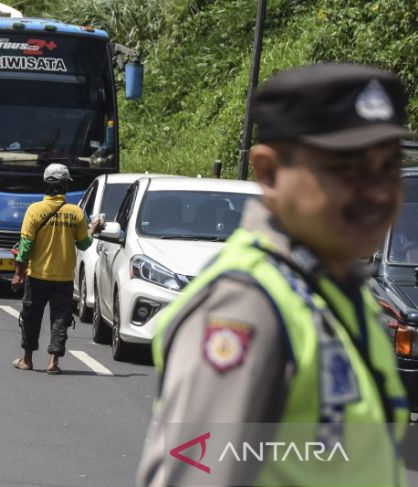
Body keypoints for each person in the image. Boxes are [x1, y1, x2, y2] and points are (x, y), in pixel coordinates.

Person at [137, 63, 412, 486]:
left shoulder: (340, 290)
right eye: (346, 169)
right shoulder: (247, 306)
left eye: (388, 166)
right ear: (268, 172)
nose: (376, 190)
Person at [11, 163, 103, 374]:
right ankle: (53, 362)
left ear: (46, 185)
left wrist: (18, 274)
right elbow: (84, 244)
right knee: (60, 319)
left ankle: (27, 359)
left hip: (37, 276)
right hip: (63, 278)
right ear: (64, 186)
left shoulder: (34, 210)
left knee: (31, 318)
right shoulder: (76, 213)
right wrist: (92, 228)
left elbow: (25, 246)